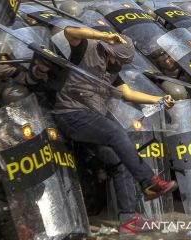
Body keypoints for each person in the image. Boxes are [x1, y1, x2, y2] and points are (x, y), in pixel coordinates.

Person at [45, 26, 178, 232]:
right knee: (116, 133)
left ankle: (128, 219)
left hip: (92, 119)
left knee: (118, 161)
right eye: (120, 61)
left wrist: (160, 101)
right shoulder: (85, 49)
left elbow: (129, 94)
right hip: (71, 114)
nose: (121, 66)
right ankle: (149, 182)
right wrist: (102, 36)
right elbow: (70, 31)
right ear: (109, 52)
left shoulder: (112, 71)